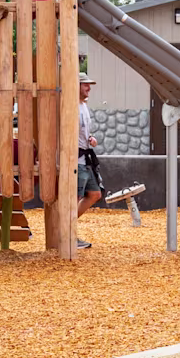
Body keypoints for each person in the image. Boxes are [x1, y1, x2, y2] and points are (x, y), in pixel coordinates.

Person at [76, 76, 103, 248]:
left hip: (85, 158)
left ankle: (67, 229)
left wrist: (90, 138)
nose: (89, 88)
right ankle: (69, 234)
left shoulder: (84, 106)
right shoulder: (71, 106)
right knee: (75, 198)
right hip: (75, 160)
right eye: (85, 84)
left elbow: (84, 131)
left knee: (95, 194)